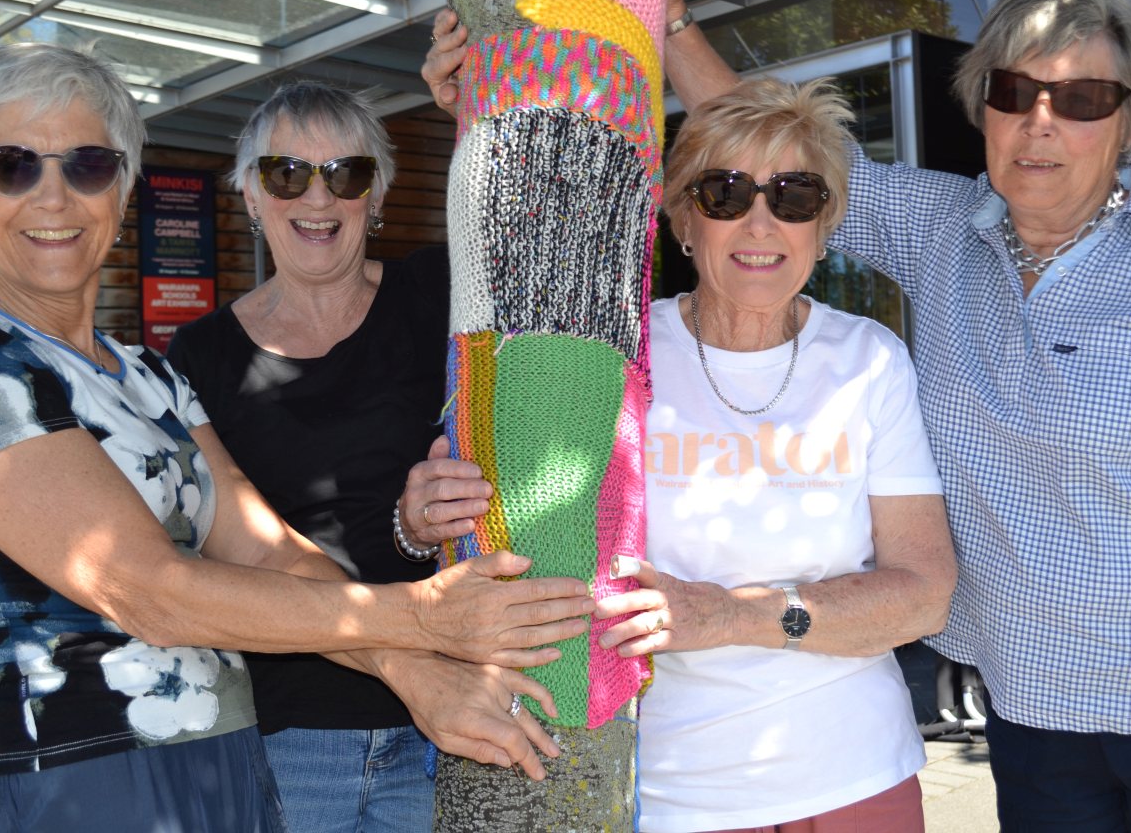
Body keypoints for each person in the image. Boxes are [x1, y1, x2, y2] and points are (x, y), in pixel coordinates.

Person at [422, 0, 1131, 829]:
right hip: (1026, 707)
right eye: (1013, 93)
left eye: (1084, 97)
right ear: (983, 109)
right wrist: (660, 23)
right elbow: (778, 160)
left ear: (1130, 117)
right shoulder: (948, 229)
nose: (1042, 122)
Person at [0, 43, 596, 833]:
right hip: (60, 786)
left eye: (87, 165)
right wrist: (420, 619)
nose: (55, 196)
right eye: (12, 165)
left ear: (120, 190)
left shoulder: (144, 374)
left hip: (211, 772)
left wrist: (413, 670)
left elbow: (265, 549)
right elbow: (147, 589)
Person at [404, 75, 957, 831]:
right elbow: (514, 525)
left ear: (824, 228)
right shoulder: (616, 357)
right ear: (683, 221)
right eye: (725, 193)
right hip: (675, 796)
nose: (760, 224)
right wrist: (425, 518)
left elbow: (924, 591)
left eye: (793, 197)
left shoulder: (869, 359)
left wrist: (729, 615)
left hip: (857, 780)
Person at [166, 81, 455, 833]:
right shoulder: (200, 356)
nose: (317, 195)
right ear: (251, 196)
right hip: (284, 732)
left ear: (377, 193)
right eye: (286, 173)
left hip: (444, 721)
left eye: (346, 173)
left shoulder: (439, 295)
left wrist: (475, 109)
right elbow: (210, 547)